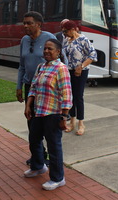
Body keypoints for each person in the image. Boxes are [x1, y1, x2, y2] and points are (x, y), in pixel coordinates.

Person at [24, 39, 72, 191]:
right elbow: (33, 87)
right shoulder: (41, 67)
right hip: (39, 112)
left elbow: (67, 94)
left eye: (50, 49)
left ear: (58, 52)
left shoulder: (61, 68)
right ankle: (38, 166)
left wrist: (64, 117)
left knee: (54, 146)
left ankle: (58, 178)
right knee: (34, 139)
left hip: (53, 113)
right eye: (45, 49)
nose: (46, 51)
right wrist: (28, 105)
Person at [16, 11, 56, 165]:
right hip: (29, 87)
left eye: (29, 23)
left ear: (38, 24)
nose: (25, 26)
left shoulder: (49, 38)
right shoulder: (24, 40)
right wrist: (19, 86)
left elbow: (59, 62)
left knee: (45, 123)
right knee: (31, 123)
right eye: (24, 23)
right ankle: (38, 155)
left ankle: (48, 157)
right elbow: (21, 66)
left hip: (45, 89)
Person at [62, 20, 97, 136]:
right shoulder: (66, 41)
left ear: (73, 29)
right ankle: (72, 121)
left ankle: (81, 123)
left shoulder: (83, 39)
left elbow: (92, 55)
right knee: (70, 97)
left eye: (66, 31)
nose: (64, 33)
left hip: (81, 71)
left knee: (78, 97)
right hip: (68, 71)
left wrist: (81, 66)